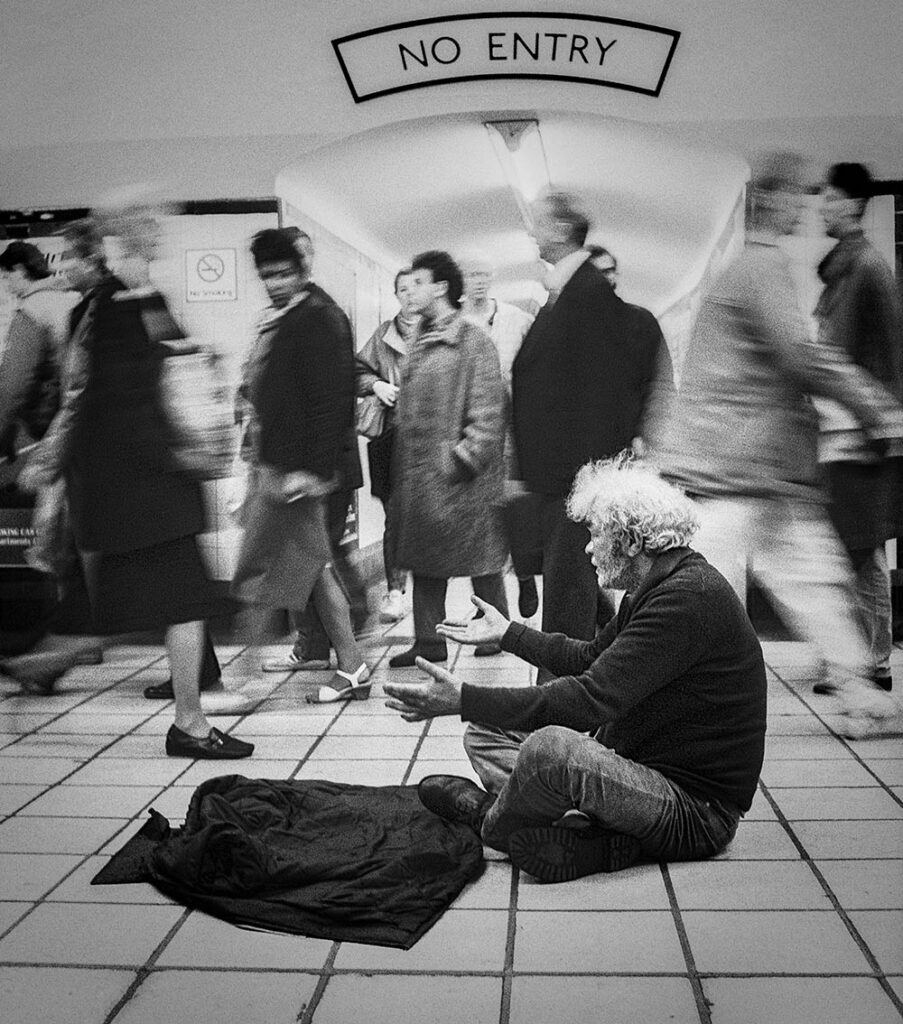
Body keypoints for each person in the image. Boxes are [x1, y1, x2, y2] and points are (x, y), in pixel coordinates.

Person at [384, 456, 767, 883]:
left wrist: (464, 699)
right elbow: (589, 659)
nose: (588, 548)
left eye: (597, 535)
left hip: (694, 812)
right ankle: (585, 831)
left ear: (632, 542)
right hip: (642, 767)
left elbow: (590, 699)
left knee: (549, 749)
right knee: (486, 730)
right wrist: (510, 633)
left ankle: (490, 821)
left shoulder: (685, 599)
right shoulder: (657, 584)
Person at [653, 150, 903, 738]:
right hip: (743, 467)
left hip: (748, 466)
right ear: (775, 199)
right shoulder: (762, 267)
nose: (808, 208)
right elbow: (798, 355)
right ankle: (668, 694)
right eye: (800, 196)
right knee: (755, 585)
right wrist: (876, 406)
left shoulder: (747, 268)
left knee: (805, 579)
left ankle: (855, 691)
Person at [20, 212, 253, 759]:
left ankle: (187, 718)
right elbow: (110, 399)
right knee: (170, 603)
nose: (154, 239)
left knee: (167, 604)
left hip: (142, 491)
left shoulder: (127, 302)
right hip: (143, 491)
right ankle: (188, 723)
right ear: (117, 244)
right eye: (141, 234)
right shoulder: (111, 307)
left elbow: (158, 373)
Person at [511, 192, 665, 646]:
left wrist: (588, 479)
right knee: (576, 579)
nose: (530, 232)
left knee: (567, 588)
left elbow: (599, 394)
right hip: (563, 472)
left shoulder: (587, 293)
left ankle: (558, 695)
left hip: (573, 473)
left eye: (538, 223)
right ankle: (607, 656)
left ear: (561, 230)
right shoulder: (566, 293)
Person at [232, 228, 368, 703]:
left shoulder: (320, 318)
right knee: (314, 570)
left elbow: (332, 401)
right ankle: (352, 666)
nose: (275, 282)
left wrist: (311, 470)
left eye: (283, 273)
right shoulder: (284, 317)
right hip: (278, 468)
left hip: (294, 474)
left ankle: (245, 683)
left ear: (303, 270)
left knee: (254, 573)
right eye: (267, 275)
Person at [387, 250, 510, 667]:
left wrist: (462, 459)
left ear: (441, 287)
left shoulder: (473, 340)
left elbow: (489, 410)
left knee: (482, 559)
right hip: (423, 475)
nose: (411, 291)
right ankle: (427, 640)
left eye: (419, 282)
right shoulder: (419, 339)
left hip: (462, 478)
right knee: (425, 561)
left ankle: (499, 628)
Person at [813, 162, 903, 695]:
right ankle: (856, 655)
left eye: (828, 198)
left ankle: (871, 657)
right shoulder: (842, 270)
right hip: (838, 434)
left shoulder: (866, 267)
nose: (821, 207)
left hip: (861, 436)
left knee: (861, 548)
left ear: (850, 203)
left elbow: (890, 353)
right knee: (846, 547)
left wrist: (883, 429)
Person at [461, 251, 538, 624]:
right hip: (475, 436)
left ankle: (524, 574)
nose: (477, 280)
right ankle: (487, 605)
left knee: (514, 514)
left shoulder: (518, 320)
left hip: (514, 434)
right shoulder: (457, 325)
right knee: (481, 521)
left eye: (482, 274)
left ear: (491, 278)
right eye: (471, 274)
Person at [353, 267, 418, 624]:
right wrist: (377, 385)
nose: (410, 295)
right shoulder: (383, 336)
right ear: (395, 295)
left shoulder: (437, 331)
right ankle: (395, 592)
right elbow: (358, 370)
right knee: (395, 517)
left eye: (415, 287)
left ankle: (431, 599)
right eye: (402, 289)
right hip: (392, 438)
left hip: (428, 438)